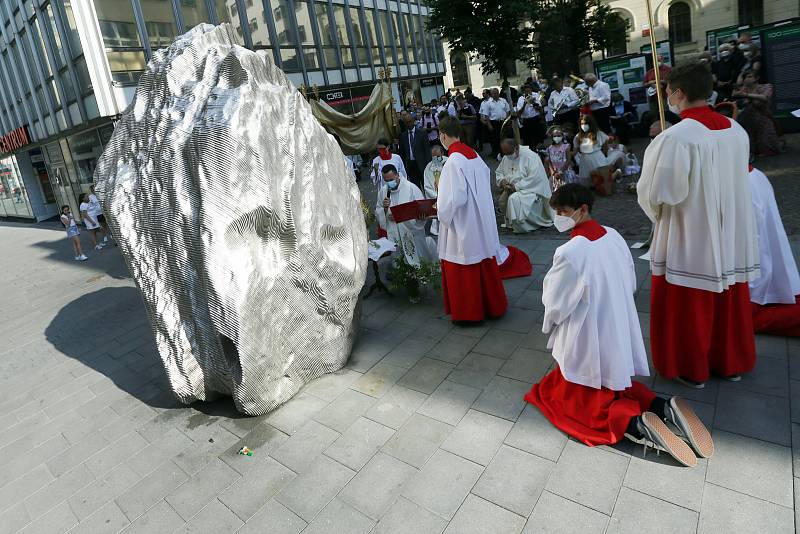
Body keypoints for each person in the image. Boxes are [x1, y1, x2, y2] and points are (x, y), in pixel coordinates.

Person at [524, 184, 712, 467]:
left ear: (582, 209)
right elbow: (630, 279)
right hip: (618, 324)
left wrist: (551, 323)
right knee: (616, 384)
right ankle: (663, 407)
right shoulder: (613, 236)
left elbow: (556, 301)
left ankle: (636, 425)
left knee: (578, 402)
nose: (559, 218)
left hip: (587, 330)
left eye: (562, 212)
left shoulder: (570, 251)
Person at [637, 62, 759, 389]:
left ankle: (692, 367)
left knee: (689, 301)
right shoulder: (736, 129)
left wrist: (655, 213)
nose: (666, 97)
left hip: (689, 231)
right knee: (728, 293)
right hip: (731, 230)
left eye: (667, 91)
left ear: (679, 93)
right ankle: (730, 362)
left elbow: (658, 192)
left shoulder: (676, 137)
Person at [436, 116, 509, 324]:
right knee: (483, 259)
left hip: (462, 223)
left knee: (463, 261)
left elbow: (454, 199)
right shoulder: (474, 156)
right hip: (481, 220)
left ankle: (469, 313)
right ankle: (493, 306)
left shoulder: (453, 162)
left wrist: (441, 212)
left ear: (442, 135)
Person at [748, 166, 800, 337]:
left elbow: (756, 242)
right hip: (765, 273)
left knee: (738, 321)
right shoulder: (755, 176)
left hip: (755, 279)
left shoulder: (743, 183)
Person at [375, 165, 437, 267]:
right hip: (395, 232)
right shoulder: (383, 191)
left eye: (391, 179)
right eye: (386, 181)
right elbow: (378, 210)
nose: (389, 183)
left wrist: (420, 217)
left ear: (397, 175)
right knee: (400, 262)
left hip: (411, 232)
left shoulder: (411, 188)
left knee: (418, 260)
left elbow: (421, 207)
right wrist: (385, 210)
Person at [495, 138, 554, 233]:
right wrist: (503, 181)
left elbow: (535, 178)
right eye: (505, 153)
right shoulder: (507, 157)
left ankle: (522, 226)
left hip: (530, 189)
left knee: (514, 199)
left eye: (509, 153)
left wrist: (516, 187)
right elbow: (499, 172)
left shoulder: (531, 157)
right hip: (511, 188)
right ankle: (511, 222)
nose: (508, 156)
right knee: (503, 200)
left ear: (516, 148)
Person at [734, 70, 783, 158]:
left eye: (750, 76)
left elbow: (765, 97)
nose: (746, 79)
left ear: (757, 78)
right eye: (745, 77)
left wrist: (747, 95)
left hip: (763, 118)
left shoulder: (766, 87)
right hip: (748, 119)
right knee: (750, 140)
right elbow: (735, 96)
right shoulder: (744, 89)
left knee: (766, 144)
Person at [573, 115, 612, 187]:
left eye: (585, 123)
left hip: (597, 158)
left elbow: (605, 147)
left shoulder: (598, 134)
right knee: (587, 182)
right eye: (582, 124)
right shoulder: (578, 136)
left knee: (601, 179)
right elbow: (575, 150)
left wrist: (602, 156)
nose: (584, 126)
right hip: (585, 160)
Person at [399, 114, 432, 189]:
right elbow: (402, 153)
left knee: (426, 187)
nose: (409, 124)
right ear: (404, 123)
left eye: (410, 121)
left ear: (413, 121)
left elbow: (427, 151)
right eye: (406, 122)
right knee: (415, 188)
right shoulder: (402, 136)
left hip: (422, 165)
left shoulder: (422, 133)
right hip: (410, 166)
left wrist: (428, 165)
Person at [479, 88, 511, 158]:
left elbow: (508, 111)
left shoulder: (503, 100)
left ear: (498, 93)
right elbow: (486, 115)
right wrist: (489, 124)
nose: (496, 94)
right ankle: (497, 154)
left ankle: (505, 152)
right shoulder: (488, 103)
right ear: (491, 94)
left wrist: (507, 120)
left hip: (503, 122)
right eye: (494, 93)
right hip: (494, 123)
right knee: (496, 139)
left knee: (504, 138)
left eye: (497, 93)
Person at [423, 145, 447, 236]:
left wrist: (445, 195)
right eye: (433, 157)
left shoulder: (449, 162)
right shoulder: (428, 167)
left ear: (443, 153)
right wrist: (437, 196)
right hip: (435, 197)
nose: (436, 159)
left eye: (438, 156)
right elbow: (427, 186)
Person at [515, 84, 546, 148]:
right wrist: (524, 104)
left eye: (529, 91)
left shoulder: (536, 95)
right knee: (527, 140)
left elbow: (540, 109)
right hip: (526, 121)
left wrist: (534, 103)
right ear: (524, 92)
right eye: (526, 92)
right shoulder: (520, 99)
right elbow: (518, 113)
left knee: (538, 138)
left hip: (535, 119)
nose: (528, 93)